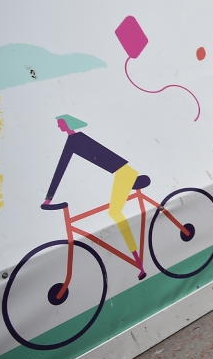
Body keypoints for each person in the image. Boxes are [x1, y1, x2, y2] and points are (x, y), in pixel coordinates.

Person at [42, 115, 148, 279]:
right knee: (113, 211)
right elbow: (61, 167)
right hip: (120, 173)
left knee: (115, 213)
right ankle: (138, 261)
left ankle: (139, 264)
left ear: (66, 123)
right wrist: (48, 197)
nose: (58, 127)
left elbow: (62, 167)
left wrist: (49, 198)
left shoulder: (77, 139)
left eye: (60, 123)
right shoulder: (73, 141)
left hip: (124, 174)